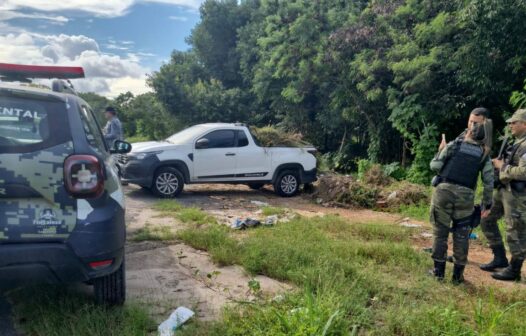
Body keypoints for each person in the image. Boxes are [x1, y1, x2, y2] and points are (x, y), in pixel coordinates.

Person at [430, 110, 493, 284]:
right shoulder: (484, 153)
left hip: (444, 191)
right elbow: (488, 181)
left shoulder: (454, 144)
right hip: (466, 196)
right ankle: (458, 277)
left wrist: (440, 151)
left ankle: (438, 272)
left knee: (440, 233)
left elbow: (435, 166)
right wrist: (486, 204)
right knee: (462, 235)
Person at [491, 109, 526, 281]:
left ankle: (514, 269)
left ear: (524, 124)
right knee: (486, 217)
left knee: (515, 231)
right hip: (505, 190)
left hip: (518, 195)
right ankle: (499, 257)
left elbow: (524, 172)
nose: (510, 125)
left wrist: (502, 167)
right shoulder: (518, 142)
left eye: (514, 122)